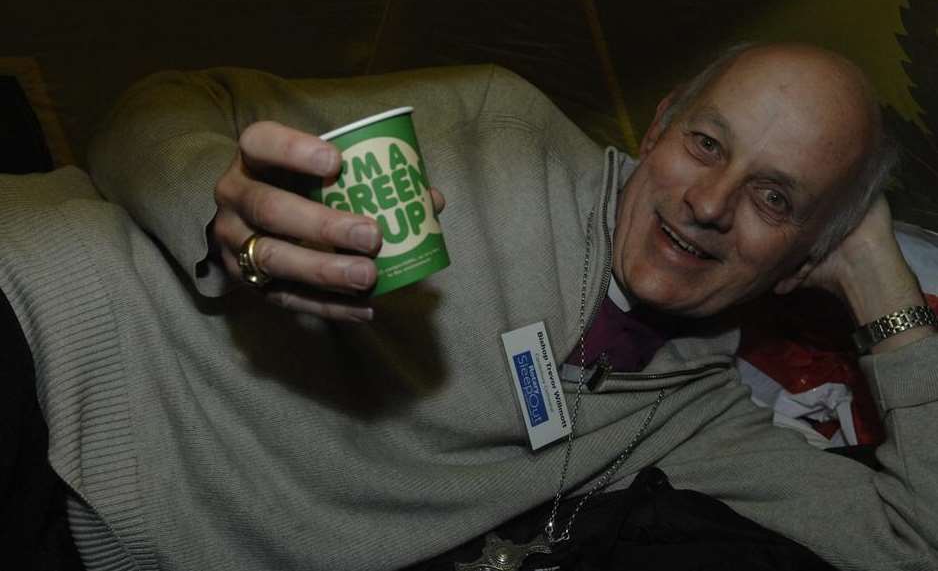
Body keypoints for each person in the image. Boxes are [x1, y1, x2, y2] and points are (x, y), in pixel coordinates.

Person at [2, 43, 936, 569]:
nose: (708, 202)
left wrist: (876, 275)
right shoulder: (499, 127)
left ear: (804, 255)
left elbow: (912, 541)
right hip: (42, 315)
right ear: (655, 129)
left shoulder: (697, 422)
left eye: (775, 199)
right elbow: (162, 97)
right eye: (703, 143)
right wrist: (215, 202)